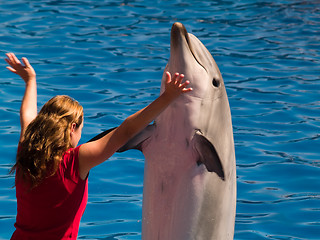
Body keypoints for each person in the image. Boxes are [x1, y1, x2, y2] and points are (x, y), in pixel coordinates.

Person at [5, 52, 192, 240]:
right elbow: (125, 131)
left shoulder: (27, 152)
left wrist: (30, 81)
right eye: (81, 129)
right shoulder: (75, 161)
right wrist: (168, 97)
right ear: (72, 128)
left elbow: (27, 117)